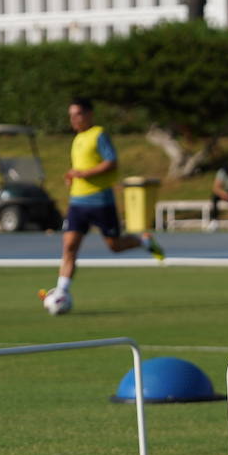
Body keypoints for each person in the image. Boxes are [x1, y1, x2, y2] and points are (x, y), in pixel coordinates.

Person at [39, 97, 163, 304]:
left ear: (89, 114)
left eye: (77, 114)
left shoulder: (99, 134)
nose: (73, 119)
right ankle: (62, 292)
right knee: (69, 245)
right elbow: (81, 169)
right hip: (78, 202)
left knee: (114, 246)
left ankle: (143, 241)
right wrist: (72, 176)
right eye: (71, 115)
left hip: (100, 201)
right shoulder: (77, 138)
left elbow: (111, 162)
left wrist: (85, 173)